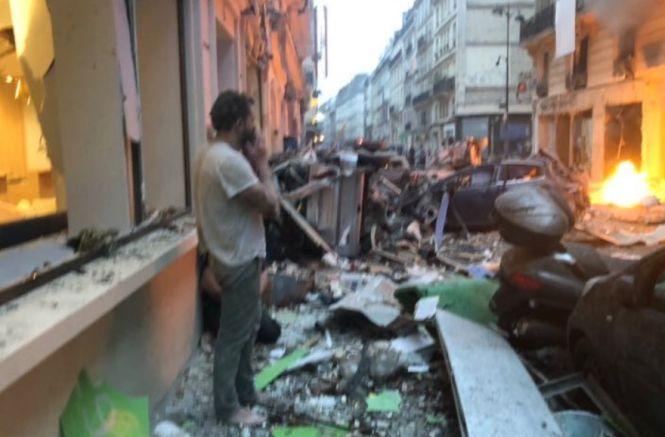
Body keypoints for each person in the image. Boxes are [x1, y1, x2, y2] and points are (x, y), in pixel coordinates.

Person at [194, 91, 280, 426]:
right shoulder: (228, 162)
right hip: (239, 259)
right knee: (233, 336)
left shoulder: (208, 153)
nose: (255, 128)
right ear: (240, 123)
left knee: (248, 329)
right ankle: (228, 408)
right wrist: (262, 163)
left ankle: (246, 393)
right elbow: (271, 205)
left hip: (228, 254)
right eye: (252, 121)